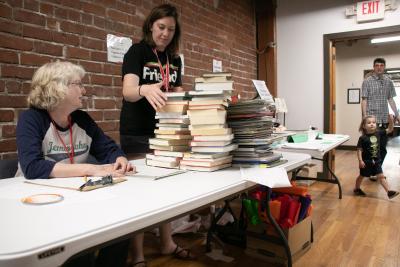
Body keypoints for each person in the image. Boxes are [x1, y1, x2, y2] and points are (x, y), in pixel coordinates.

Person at [16, 61, 134, 267]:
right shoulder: (32, 119)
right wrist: (90, 168)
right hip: (37, 203)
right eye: (78, 84)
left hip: (75, 196)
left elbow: (108, 148)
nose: (84, 90)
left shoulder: (81, 119)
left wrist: (120, 159)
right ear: (58, 87)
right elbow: (32, 168)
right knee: (77, 252)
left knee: (122, 228)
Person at [119, 3, 194, 267]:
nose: (165, 33)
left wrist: (180, 95)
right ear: (151, 25)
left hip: (166, 131)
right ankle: (137, 254)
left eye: (171, 29)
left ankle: (166, 242)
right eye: (161, 27)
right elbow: (127, 91)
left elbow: (178, 87)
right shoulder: (136, 52)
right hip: (137, 132)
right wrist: (144, 89)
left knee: (166, 189)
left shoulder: (174, 59)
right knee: (140, 193)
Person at [361, 58, 400, 181]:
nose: (379, 67)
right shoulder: (367, 81)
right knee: (372, 149)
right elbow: (364, 100)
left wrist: (397, 114)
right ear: (373, 67)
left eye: (381, 65)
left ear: (384, 67)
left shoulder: (389, 82)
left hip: (384, 119)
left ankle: (376, 170)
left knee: (382, 149)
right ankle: (372, 172)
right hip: (372, 121)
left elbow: (391, 100)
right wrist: (364, 117)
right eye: (377, 65)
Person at [353, 115, 399, 199]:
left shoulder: (378, 133)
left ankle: (389, 192)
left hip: (377, 161)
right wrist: (360, 160)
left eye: (374, 122)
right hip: (366, 162)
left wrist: (391, 121)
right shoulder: (362, 138)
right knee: (362, 176)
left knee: (381, 176)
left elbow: (390, 129)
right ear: (364, 126)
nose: (372, 124)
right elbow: (359, 150)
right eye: (369, 123)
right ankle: (357, 188)